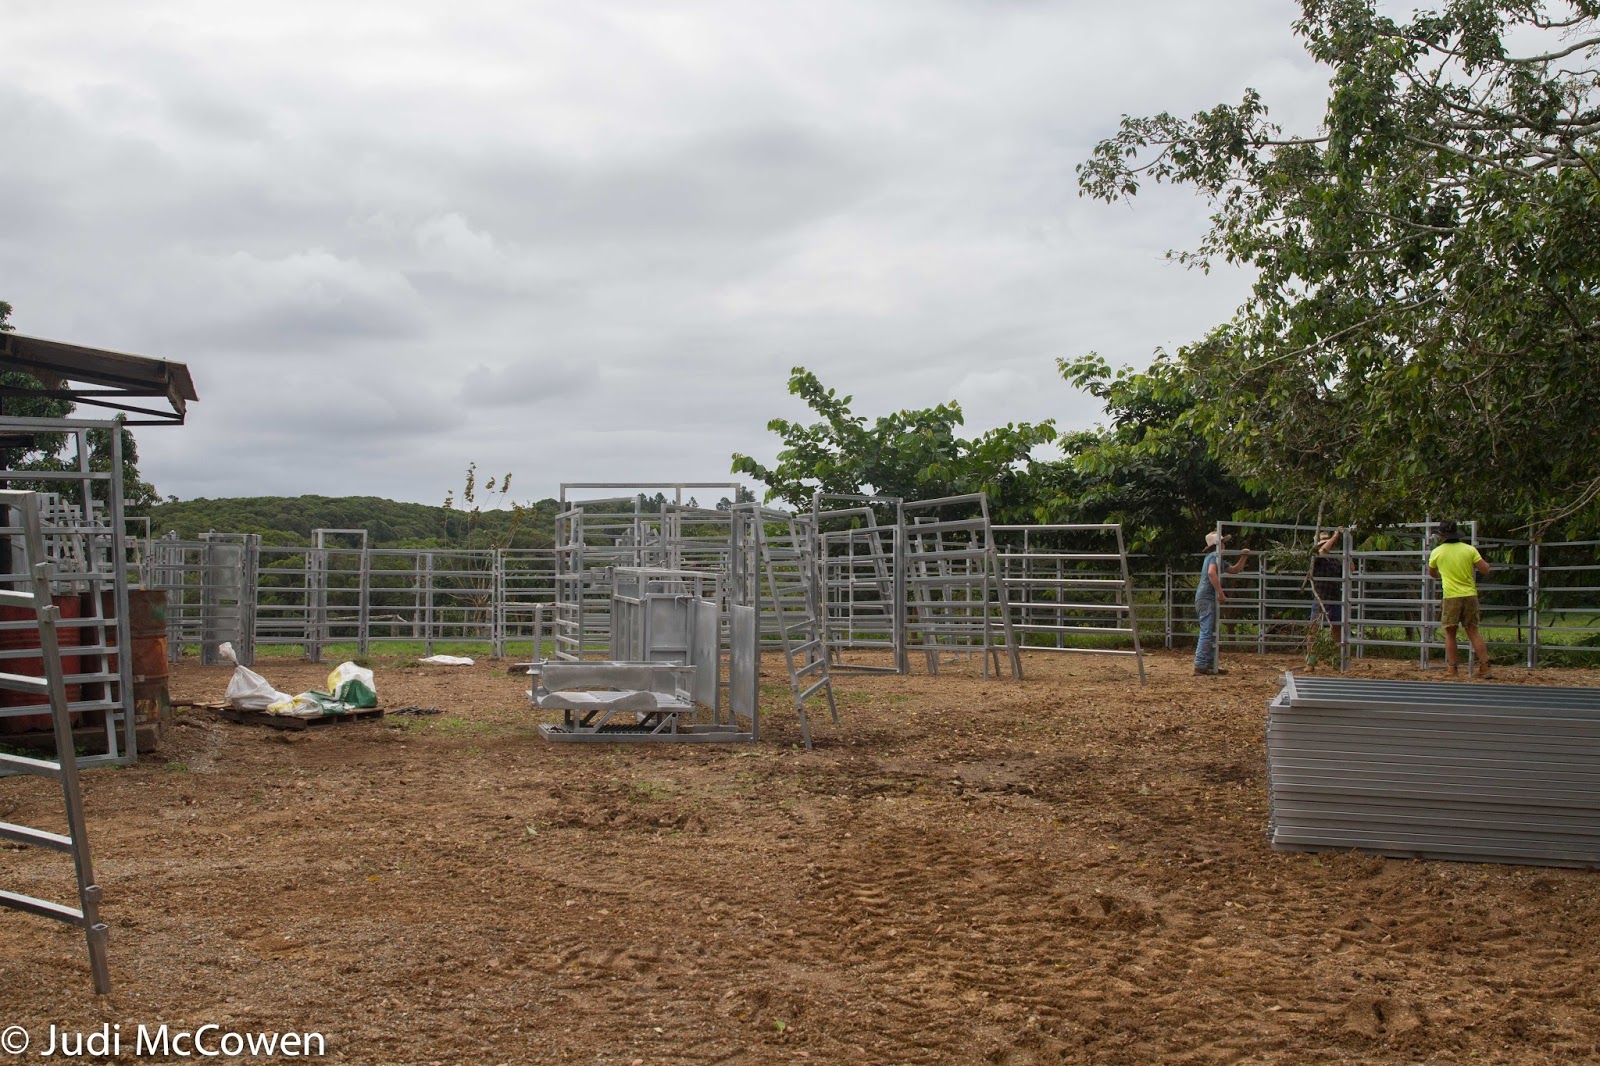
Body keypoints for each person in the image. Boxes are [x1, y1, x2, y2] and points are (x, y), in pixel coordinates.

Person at [1426, 519, 1492, 678]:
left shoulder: (1437, 552)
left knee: (1450, 632)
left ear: (1442, 535)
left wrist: (1442, 574)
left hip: (1451, 596)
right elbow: (1485, 569)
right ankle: (1485, 666)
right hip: (1470, 595)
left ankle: (1452, 668)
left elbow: (1432, 573)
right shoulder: (1469, 550)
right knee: (1473, 631)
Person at [1195, 530, 1250, 675]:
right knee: (1207, 631)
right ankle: (1200, 664)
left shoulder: (1218, 559)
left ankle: (1209, 664)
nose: (1225, 544)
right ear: (1218, 545)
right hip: (1207, 598)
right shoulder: (1214, 556)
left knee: (1211, 631)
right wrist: (1220, 592)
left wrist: (1243, 557)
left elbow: (1235, 570)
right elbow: (1211, 573)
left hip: (1206, 598)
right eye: (1223, 542)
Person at [1310, 528, 1345, 645]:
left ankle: (1336, 657)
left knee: (1336, 628)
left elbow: (1343, 575)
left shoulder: (1335, 560)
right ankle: (1310, 659)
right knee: (1314, 629)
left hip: (1334, 598)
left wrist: (1349, 569)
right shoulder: (1316, 557)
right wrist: (1335, 537)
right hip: (1321, 598)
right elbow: (1322, 552)